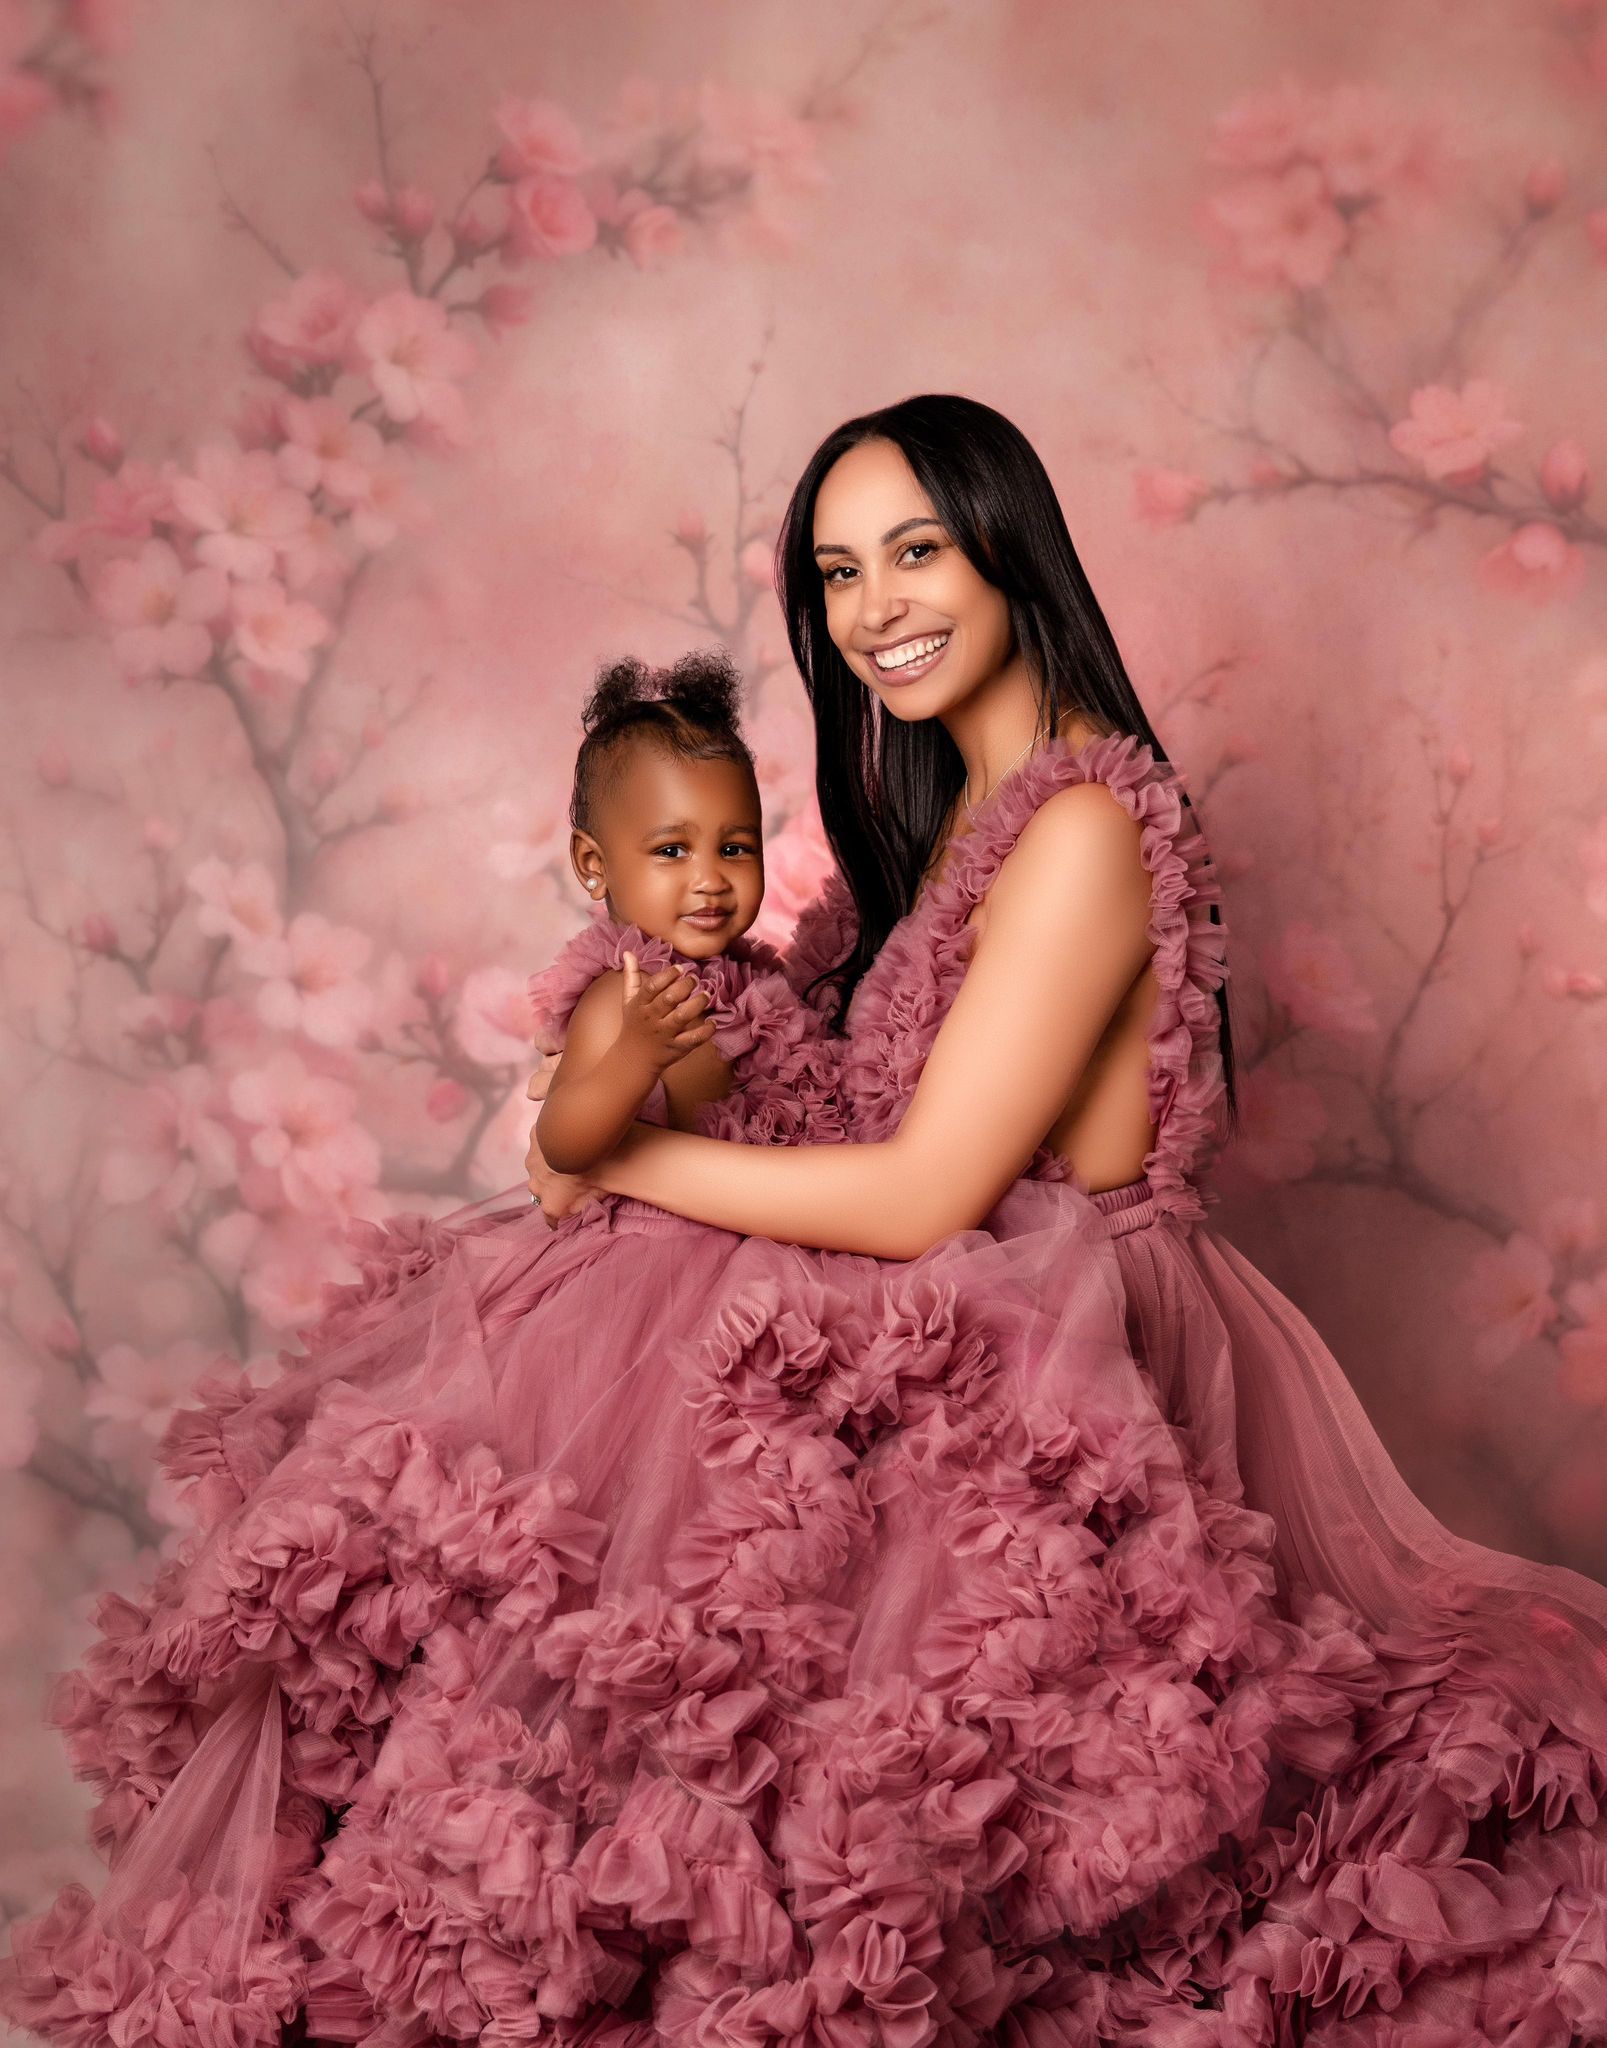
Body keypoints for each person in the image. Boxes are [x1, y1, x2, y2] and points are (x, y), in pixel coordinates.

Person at [2, 395, 1603, 2048]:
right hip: (956, 1305)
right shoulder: (952, 821)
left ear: (1009, 553)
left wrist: (622, 1166)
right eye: (838, 574)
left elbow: (920, 1191)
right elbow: (853, 1127)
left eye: (916, 553)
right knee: (561, 1498)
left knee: (800, 1694)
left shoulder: (1074, 830)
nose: (874, 608)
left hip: (1067, 1355)